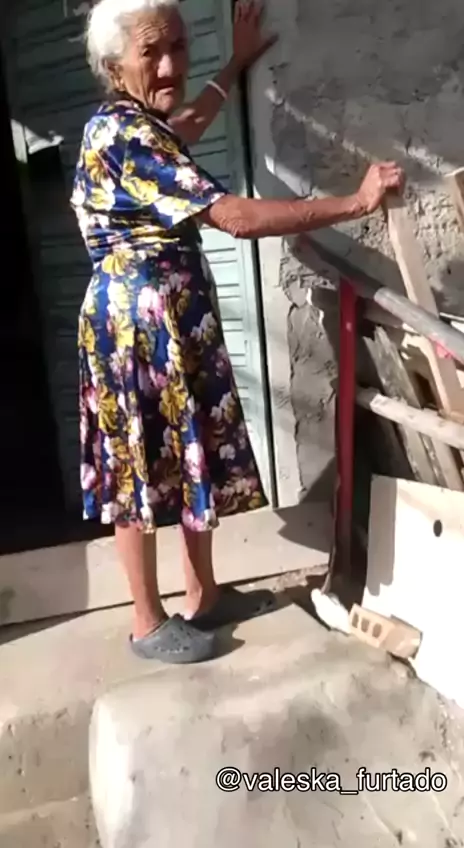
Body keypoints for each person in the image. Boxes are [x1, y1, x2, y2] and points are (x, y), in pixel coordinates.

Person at [71, 0, 404, 664]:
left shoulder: (145, 127)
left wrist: (232, 66)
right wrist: (355, 202)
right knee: (137, 467)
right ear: (113, 67)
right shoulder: (124, 135)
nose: (170, 66)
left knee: (191, 452)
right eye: (150, 53)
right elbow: (235, 218)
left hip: (171, 319)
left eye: (178, 46)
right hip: (133, 328)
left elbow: (188, 125)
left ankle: (205, 595)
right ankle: (145, 622)